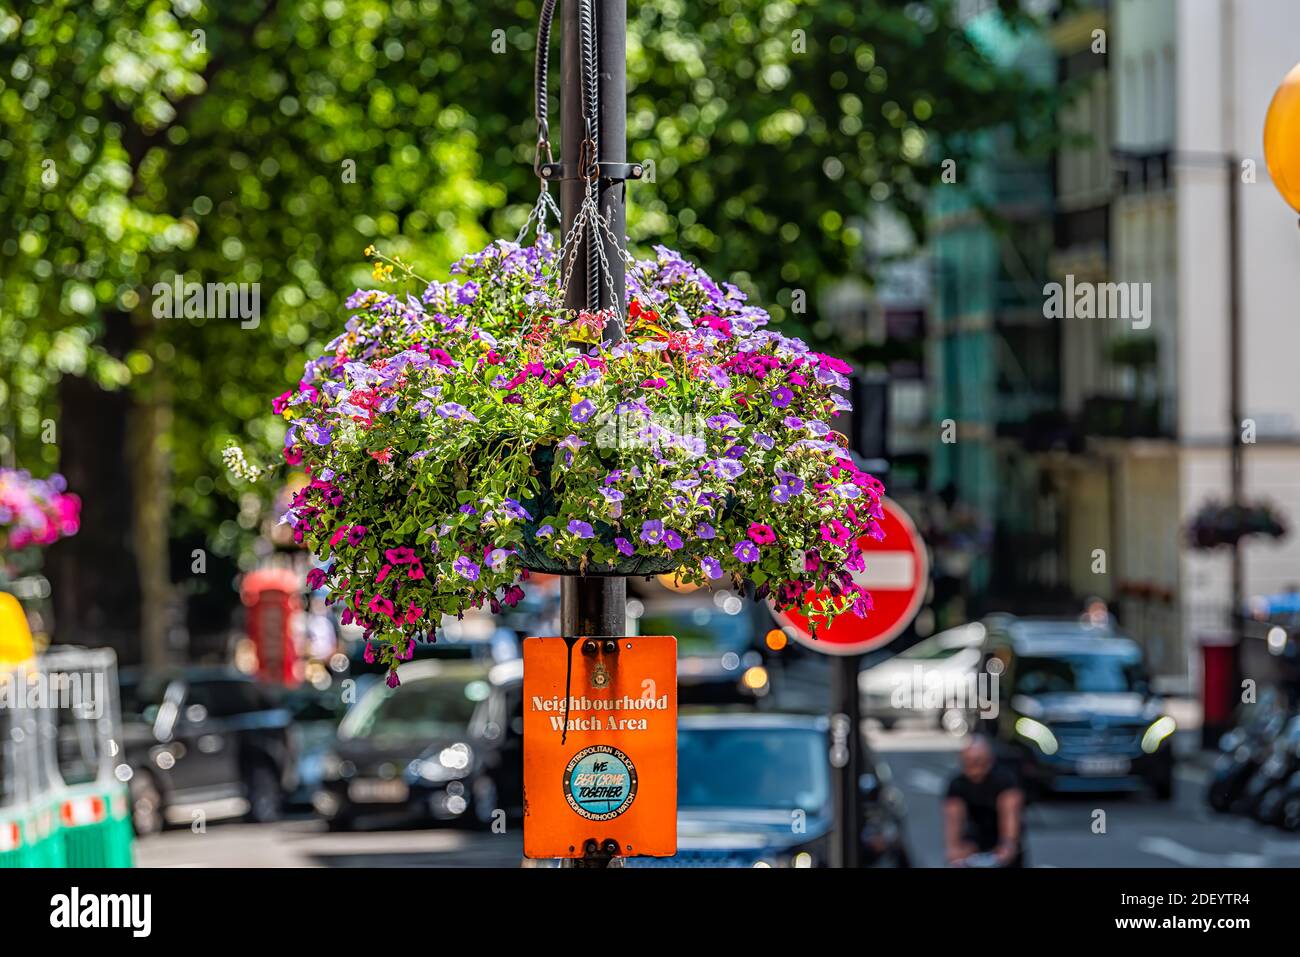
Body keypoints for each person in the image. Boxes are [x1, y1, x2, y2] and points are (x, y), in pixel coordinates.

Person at [944, 735, 1025, 867]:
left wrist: (1007, 845)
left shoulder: (1005, 780)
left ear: (989, 760)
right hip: (974, 839)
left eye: (977, 761)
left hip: (1001, 836)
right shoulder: (957, 784)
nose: (973, 767)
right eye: (967, 762)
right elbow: (953, 818)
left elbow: (1010, 814)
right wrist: (954, 848)